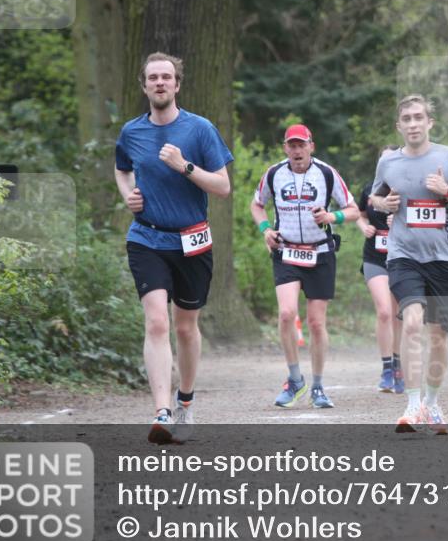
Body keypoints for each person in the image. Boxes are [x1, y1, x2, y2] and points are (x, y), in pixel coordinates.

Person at [114, 52, 233, 444]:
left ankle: (185, 402)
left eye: (167, 77)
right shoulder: (132, 132)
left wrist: (184, 166)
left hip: (193, 239)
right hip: (146, 237)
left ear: (177, 85)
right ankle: (161, 411)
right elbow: (121, 166)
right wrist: (129, 193)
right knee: (157, 322)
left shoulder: (200, 130)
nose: (160, 83)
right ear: (144, 86)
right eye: (153, 78)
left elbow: (223, 186)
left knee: (185, 327)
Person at [371, 94, 448, 434]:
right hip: (404, 256)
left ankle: (431, 404)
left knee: (439, 338)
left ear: (430, 122)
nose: (413, 124)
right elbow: (374, 197)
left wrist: (446, 191)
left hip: (444, 259)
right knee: (412, 322)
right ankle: (412, 404)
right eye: (407, 119)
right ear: (399, 126)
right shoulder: (388, 161)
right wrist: (384, 203)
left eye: (419, 118)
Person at [251, 124, 359, 410]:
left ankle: (319, 386)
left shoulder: (326, 173)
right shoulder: (274, 174)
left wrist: (331, 215)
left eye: (302, 145)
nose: (297, 150)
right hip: (286, 251)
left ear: (312, 145)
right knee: (287, 314)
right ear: (285, 148)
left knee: (316, 322)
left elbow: (353, 209)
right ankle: (295, 379)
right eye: (292, 145)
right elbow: (257, 205)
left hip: (320, 253)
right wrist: (265, 230)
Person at [357, 147, 405, 394]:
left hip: (401, 259)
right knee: (385, 311)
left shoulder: (406, 188)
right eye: (382, 158)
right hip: (374, 258)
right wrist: (363, 226)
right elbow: (359, 214)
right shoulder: (369, 189)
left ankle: (398, 366)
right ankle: (387, 368)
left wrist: (399, 223)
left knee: (398, 315)